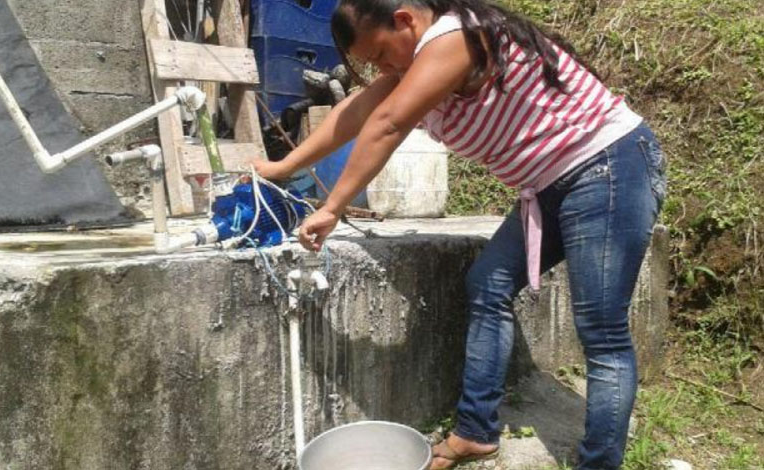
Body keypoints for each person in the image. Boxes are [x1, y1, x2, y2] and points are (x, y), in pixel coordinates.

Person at [254, 0, 666, 468]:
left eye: (381, 54)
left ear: (406, 20)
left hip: (607, 167)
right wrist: (282, 167)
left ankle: (598, 463)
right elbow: (352, 115)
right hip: (550, 187)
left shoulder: (455, 37)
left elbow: (388, 124)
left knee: (601, 331)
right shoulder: (416, 61)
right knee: (488, 283)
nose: (382, 69)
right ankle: (475, 431)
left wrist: (333, 206)